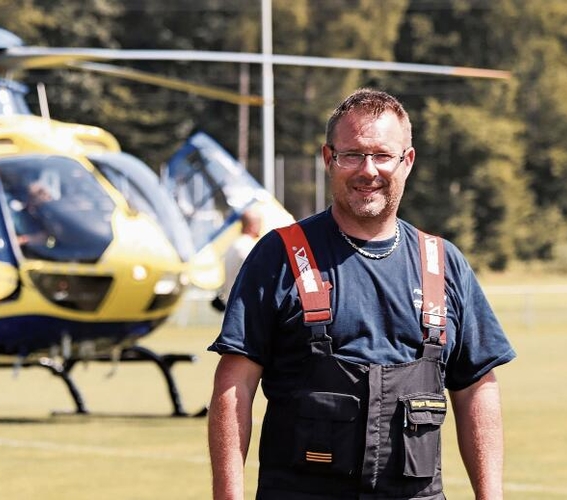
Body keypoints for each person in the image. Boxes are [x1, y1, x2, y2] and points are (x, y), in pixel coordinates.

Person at [207, 88, 516, 499]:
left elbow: (476, 386)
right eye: (351, 154)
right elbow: (235, 384)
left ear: (407, 161)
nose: (367, 170)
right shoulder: (279, 255)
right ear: (327, 159)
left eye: (383, 155)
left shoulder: (443, 264)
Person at [211, 207, 263, 312]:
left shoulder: (232, 246)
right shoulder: (250, 247)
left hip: (230, 305)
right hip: (243, 308)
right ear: (253, 226)